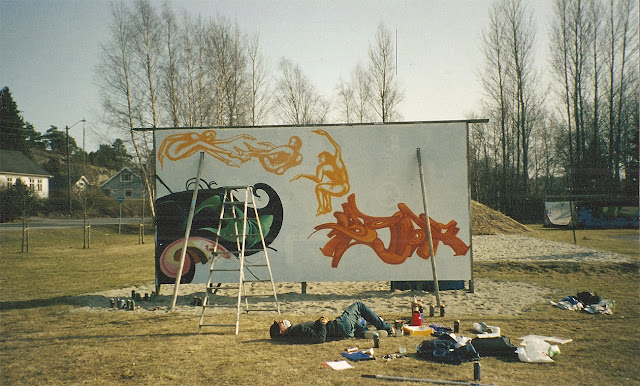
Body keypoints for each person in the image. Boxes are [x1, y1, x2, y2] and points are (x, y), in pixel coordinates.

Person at [269, 301, 394, 344]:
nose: (281, 321)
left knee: (355, 323)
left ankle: (364, 332)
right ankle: (385, 326)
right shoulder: (297, 330)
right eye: (279, 323)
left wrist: (320, 322)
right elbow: (319, 338)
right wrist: (322, 323)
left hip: (340, 333)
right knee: (359, 306)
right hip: (338, 327)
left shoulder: (293, 335)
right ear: (281, 331)